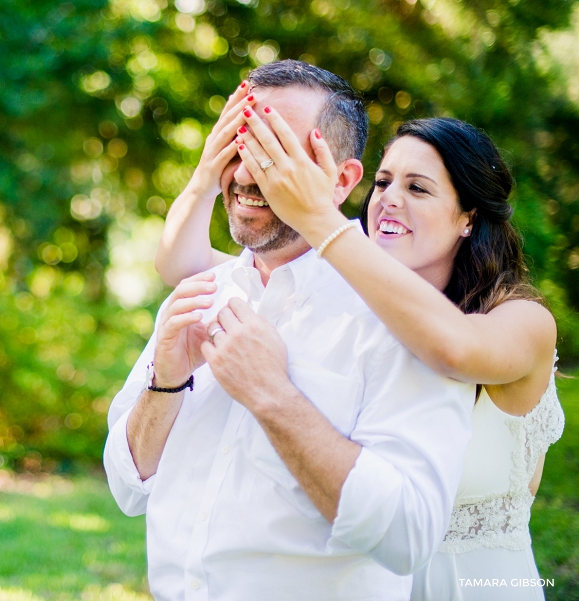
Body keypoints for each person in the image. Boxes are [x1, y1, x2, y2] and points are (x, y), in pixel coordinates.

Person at [155, 78, 565, 598]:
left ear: (468, 217)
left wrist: (317, 214)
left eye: (417, 188)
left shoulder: (523, 319)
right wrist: (207, 176)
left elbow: (452, 349)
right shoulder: (346, 299)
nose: (388, 200)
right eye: (384, 182)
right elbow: (182, 263)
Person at [103, 59, 475, 601]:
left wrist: (273, 396)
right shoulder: (197, 296)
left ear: (343, 180)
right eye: (240, 145)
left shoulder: (401, 318)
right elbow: (126, 487)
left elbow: (409, 536)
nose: (248, 174)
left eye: (275, 152)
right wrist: (164, 384)